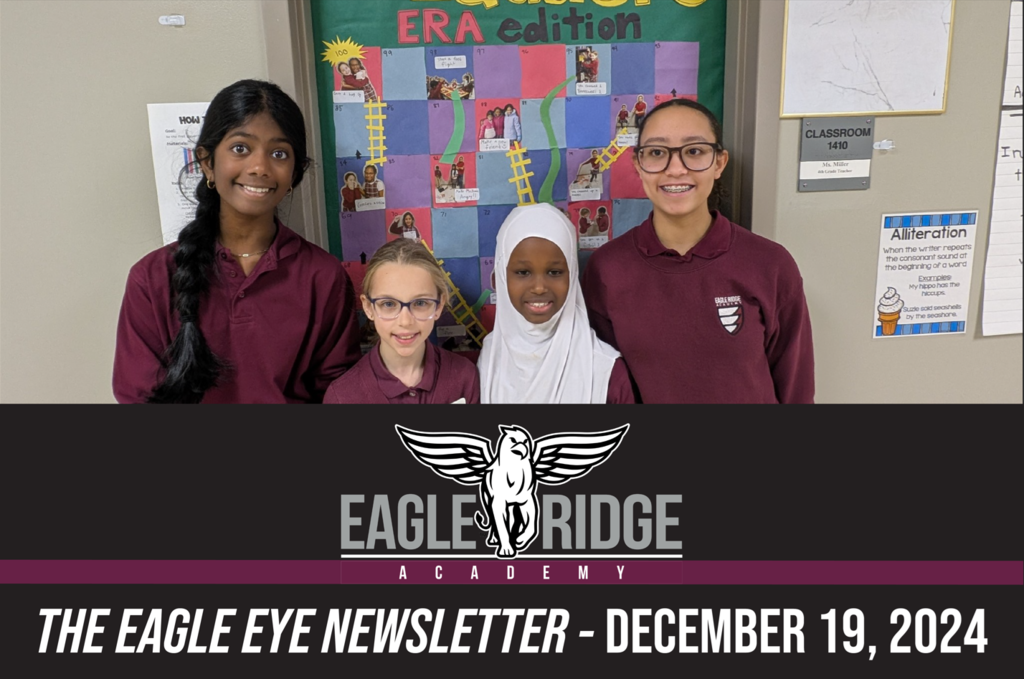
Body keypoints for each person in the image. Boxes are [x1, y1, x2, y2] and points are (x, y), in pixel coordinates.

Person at [114, 79, 361, 403]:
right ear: (207, 162)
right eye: (240, 148)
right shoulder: (151, 278)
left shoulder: (323, 277)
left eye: (278, 153)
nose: (259, 167)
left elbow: (337, 393)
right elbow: (138, 396)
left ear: (295, 174)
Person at [581, 98, 814, 403]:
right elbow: (605, 385)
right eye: (656, 153)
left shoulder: (769, 264)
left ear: (719, 163)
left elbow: (795, 387)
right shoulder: (608, 270)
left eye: (694, 151)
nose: (675, 169)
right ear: (638, 165)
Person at [478, 203, 635, 404]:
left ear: (572, 274)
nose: (539, 287)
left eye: (555, 272)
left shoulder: (605, 371)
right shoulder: (490, 356)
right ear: (500, 277)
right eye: (523, 273)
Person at [324, 239, 480, 404]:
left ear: (439, 306)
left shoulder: (464, 377)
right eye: (389, 304)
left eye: (420, 303)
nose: (405, 322)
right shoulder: (342, 396)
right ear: (369, 308)